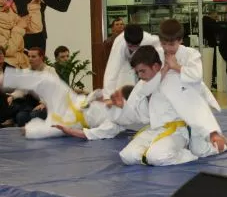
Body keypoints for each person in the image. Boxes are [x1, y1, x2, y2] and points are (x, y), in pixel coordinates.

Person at [119, 46, 227, 167]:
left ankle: (190, 152)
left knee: (156, 156)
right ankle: (155, 154)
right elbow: (137, 113)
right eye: (137, 72)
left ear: (155, 66)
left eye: (142, 71)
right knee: (127, 156)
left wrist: (212, 133)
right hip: (155, 130)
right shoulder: (142, 85)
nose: (140, 76)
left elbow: (196, 107)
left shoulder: (174, 79)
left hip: (177, 132)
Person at [0, 66, 143, 140]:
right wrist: (96, 96)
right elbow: (96, 93)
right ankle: (4, 79)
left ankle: (32, 129)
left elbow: (91, 134)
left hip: (71, 120)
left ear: (124, 103)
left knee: (33, 131)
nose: (113, 96)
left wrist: (68, 131)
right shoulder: (109, 98)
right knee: (47, 79)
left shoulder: (116, 123)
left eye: (117, 96)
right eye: (116, 93)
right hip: (71, 100)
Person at [103, 24, 160, 96]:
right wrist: (108, 97)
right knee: (122, 87)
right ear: (126, 41)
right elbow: (111, 71)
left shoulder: (147, 38)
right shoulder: (119, 43)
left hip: (139, 63)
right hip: (124, 65)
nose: (133, 49)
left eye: (136, 46)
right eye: (130, 46)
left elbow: (160, 44)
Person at [12, 47, 58, 127]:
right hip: (30, 104)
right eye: (29, 56)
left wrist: (45, 104)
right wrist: (12, 96)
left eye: (33, 57)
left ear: (41, 57)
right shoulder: (26, 72)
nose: (30, 59)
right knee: (21, 117)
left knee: (35, 115)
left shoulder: (50, 71)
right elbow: (21, 90)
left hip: (47, 104)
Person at [0, 0, 42, 68]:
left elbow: (36, 28)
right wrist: (18, 28)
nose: (1, 1)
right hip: (7, 68)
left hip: (22, 64)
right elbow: (7, 51)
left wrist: (34, 7)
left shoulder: (12, 16)